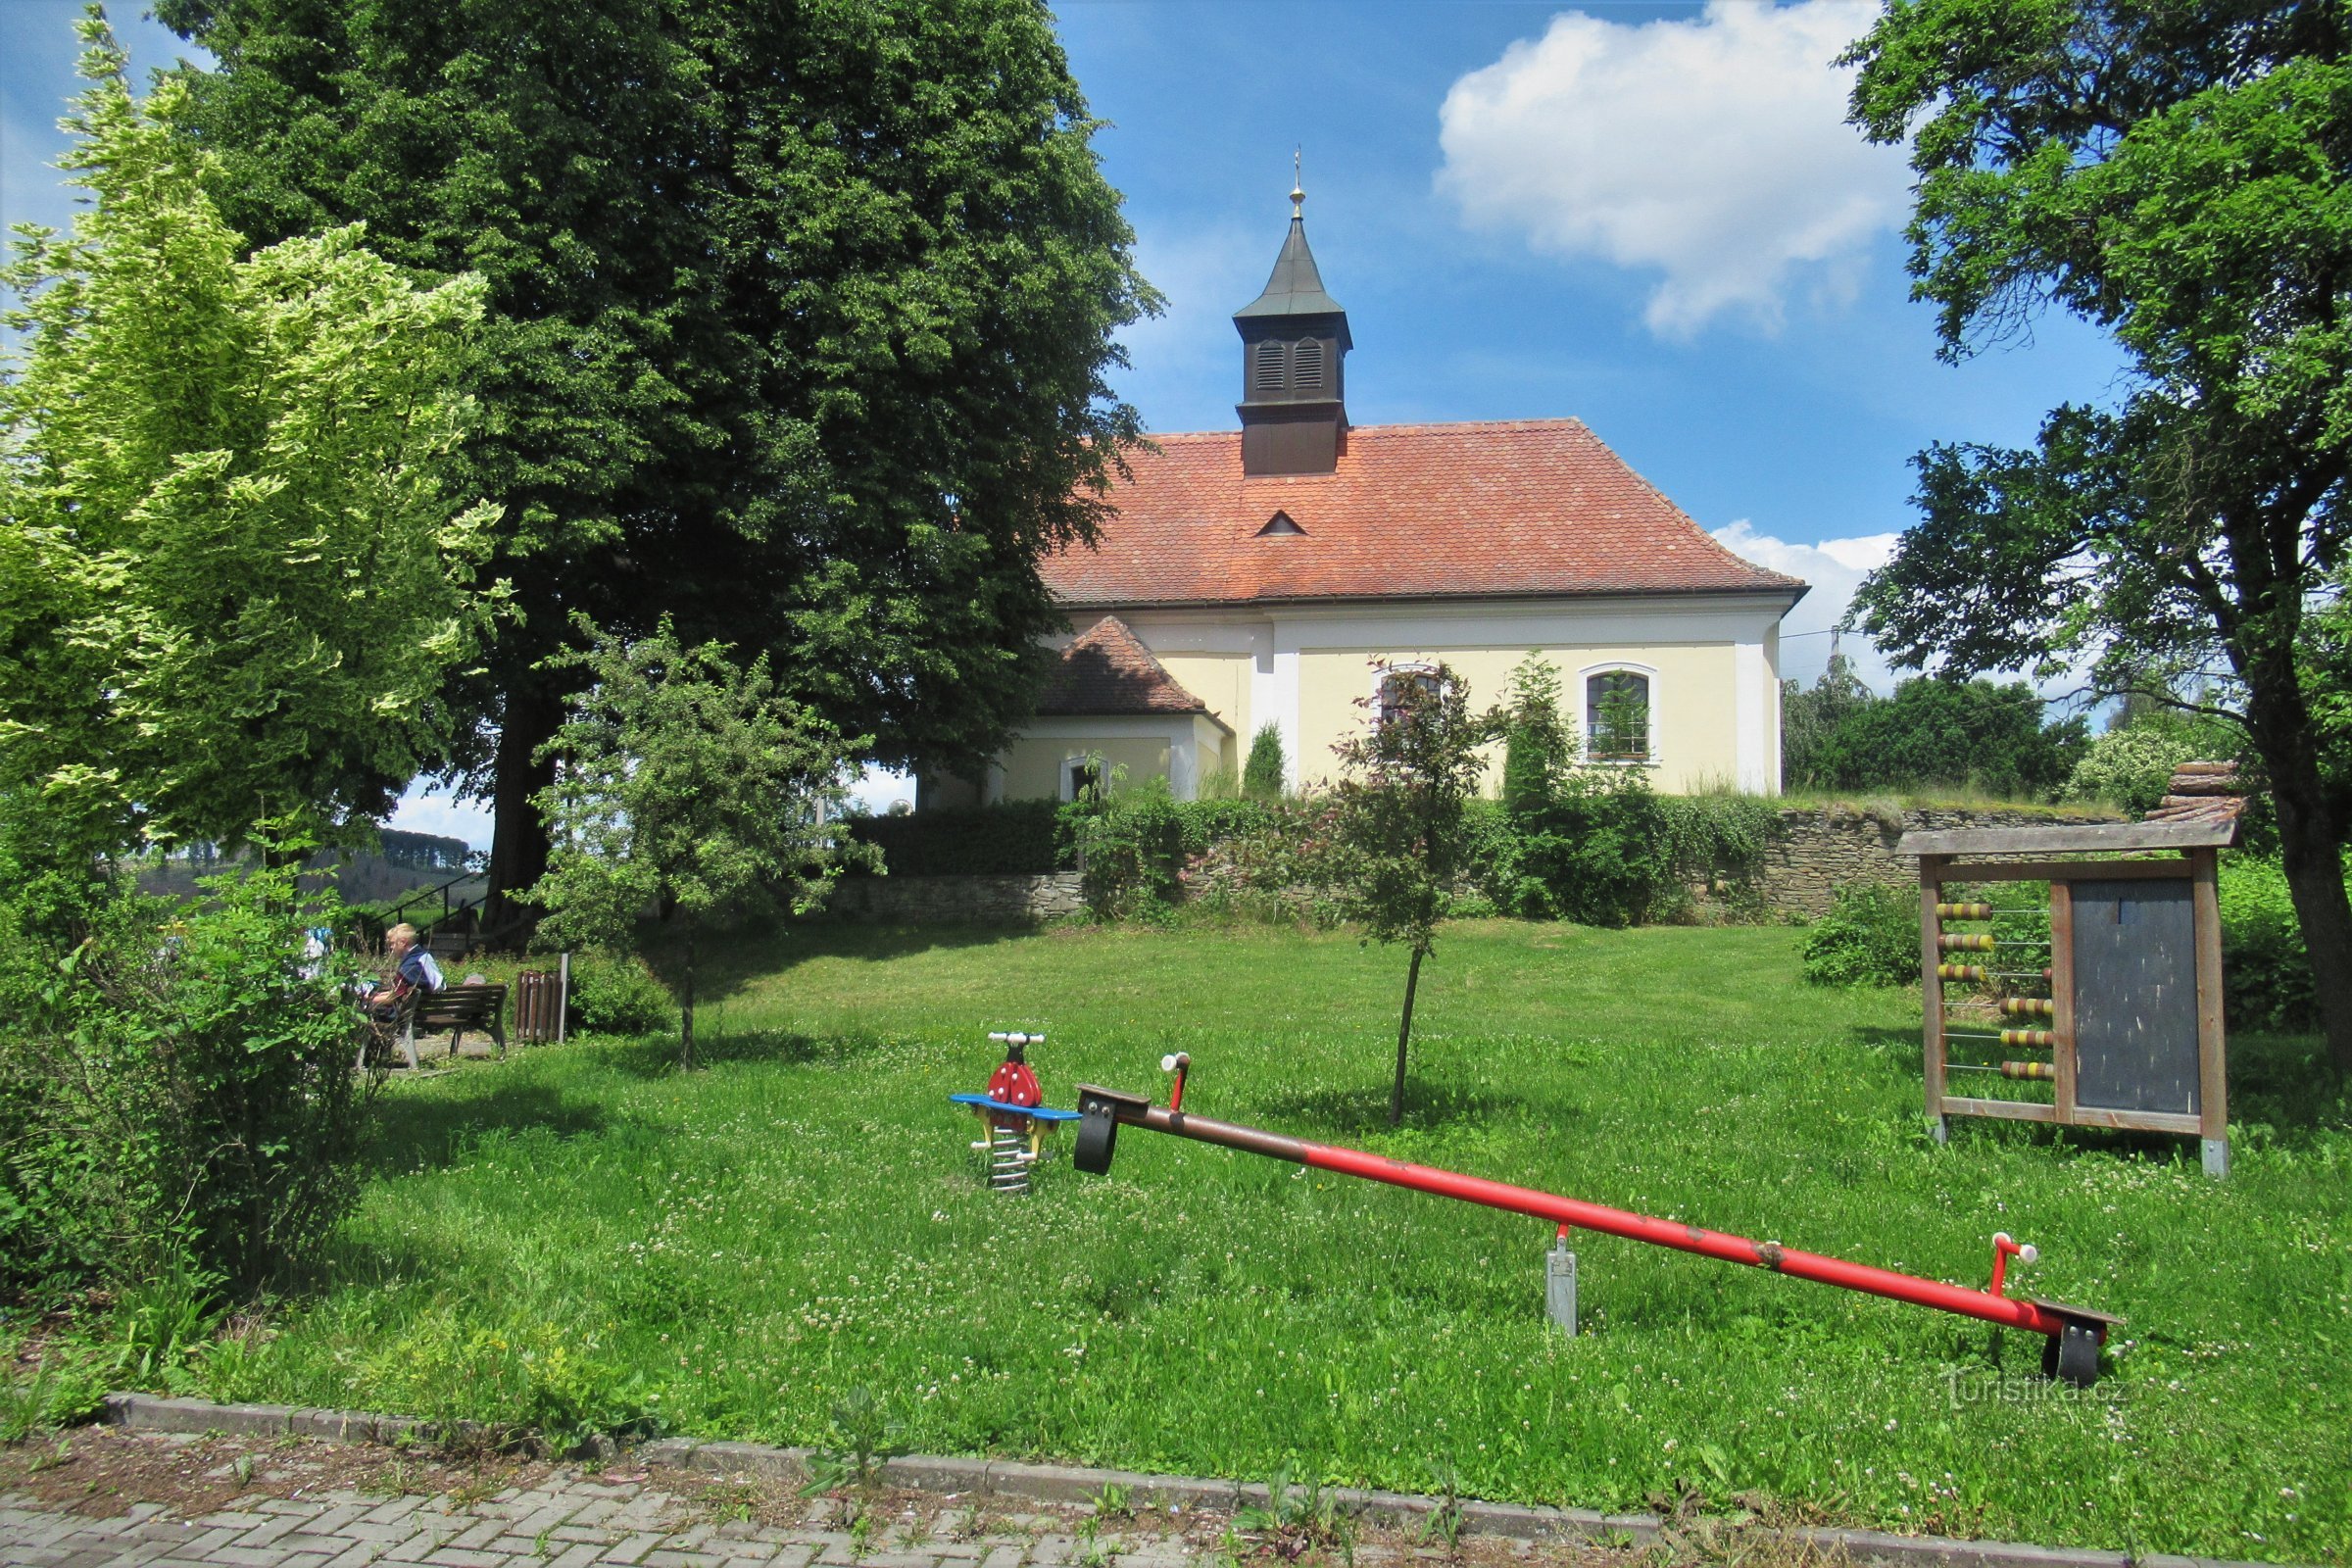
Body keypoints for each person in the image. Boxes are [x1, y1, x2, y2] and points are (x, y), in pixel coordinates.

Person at [368, 922, 445, 1017]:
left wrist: (369, 998)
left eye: (392, 943)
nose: (391, 947)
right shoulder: (425, 957)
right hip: (419, 1009)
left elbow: (394, 998)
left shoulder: (409, 967)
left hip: (402, 1015)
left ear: (403, 942)